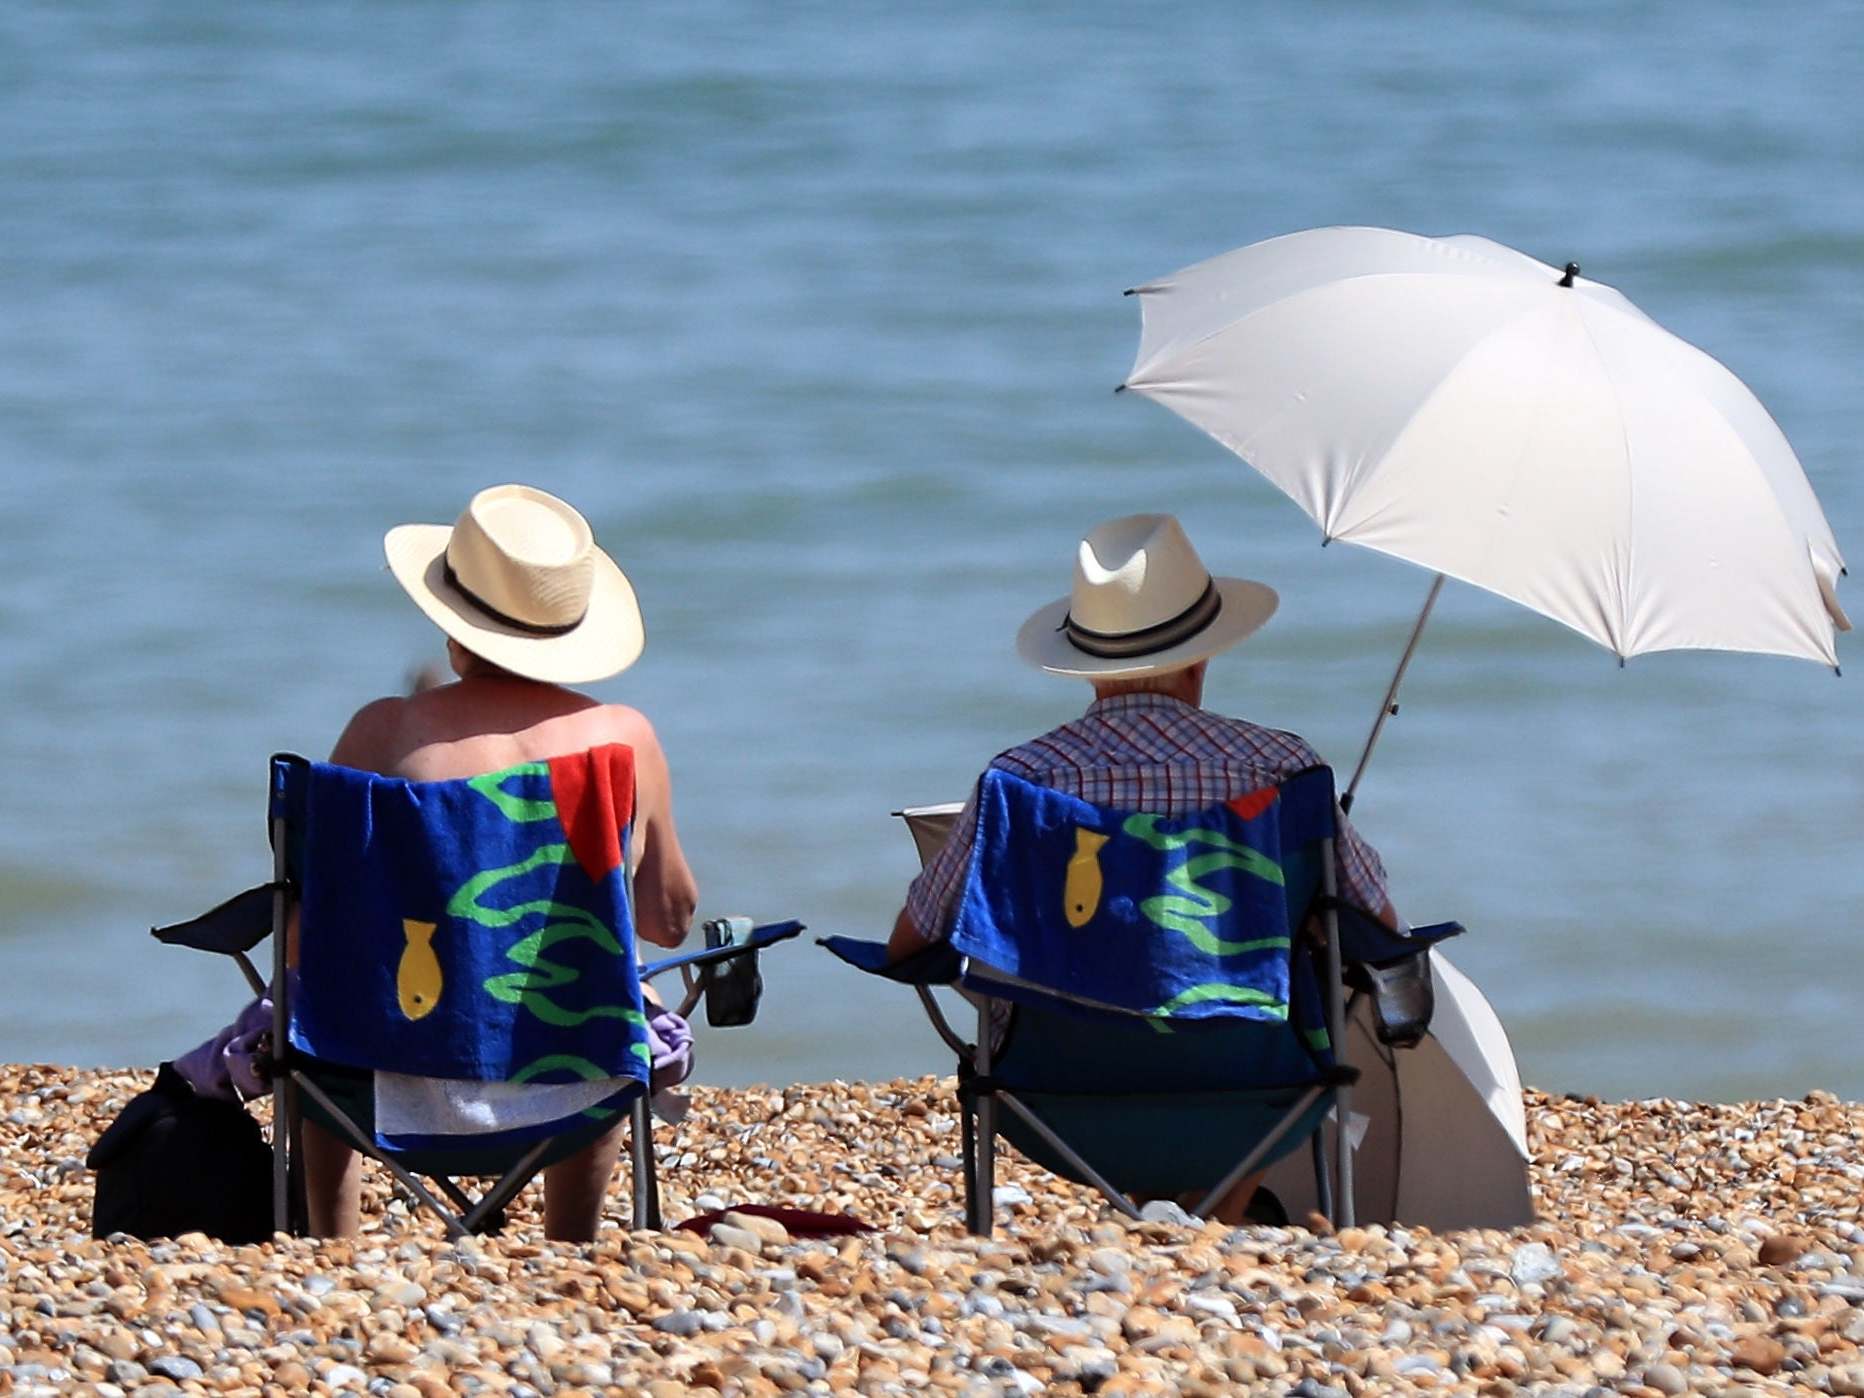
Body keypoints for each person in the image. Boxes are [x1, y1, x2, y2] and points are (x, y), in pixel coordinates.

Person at [885, 512, 1397, 1220]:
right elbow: (1378, 923)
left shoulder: (1019, 786)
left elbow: (908, 944)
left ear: (1087, 669)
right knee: (1304, 972)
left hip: (1053, 1097)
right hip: (1266, 1092)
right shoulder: (1287, 772)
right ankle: (1216, 1207)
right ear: (1203, 657)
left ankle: (1161, 1209)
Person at [305, 482, 698, 1241]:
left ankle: (330, 1247)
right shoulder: (623, 739)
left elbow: (311, 927)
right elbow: (667, 922)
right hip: (572, 1086)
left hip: (383, 1074)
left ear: (454, 631)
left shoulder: (382, 733)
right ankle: (571, 1243)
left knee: (322, 1002)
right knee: (602, 998)